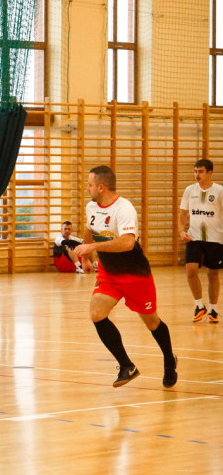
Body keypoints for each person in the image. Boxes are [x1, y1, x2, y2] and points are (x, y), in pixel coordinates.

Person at [75, 165, 177, 388]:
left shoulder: (124, 208)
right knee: (96, 313)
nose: (87, 188)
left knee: (151, 322)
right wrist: (85, 255)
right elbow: (88, 229)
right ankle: (126, 366)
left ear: (101, 187)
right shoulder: (92, 206)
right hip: (109, 272)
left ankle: (169, 360)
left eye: (90, 184)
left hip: (134, 273)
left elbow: (128, 242)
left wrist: (91, 246)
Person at [179, 158, 223, 324]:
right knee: (191, 271)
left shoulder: (219, 191)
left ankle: (213, 309)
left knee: (213, 274)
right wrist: (181, 230)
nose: (197, 174)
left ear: (210, 172)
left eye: (200, 171)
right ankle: (199, 306)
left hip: (215, 238)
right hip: (194, 237)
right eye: (195, 171)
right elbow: (183, 213)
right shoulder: (190, 190)